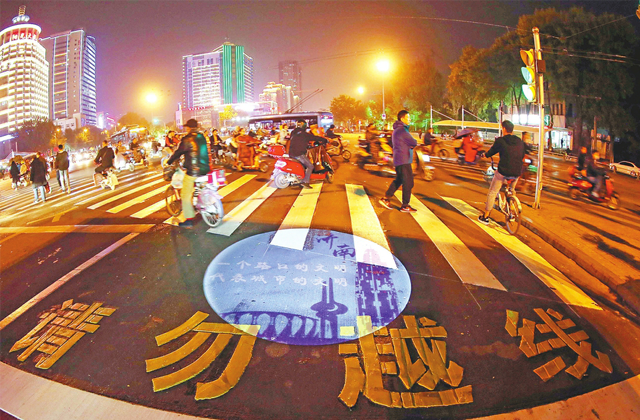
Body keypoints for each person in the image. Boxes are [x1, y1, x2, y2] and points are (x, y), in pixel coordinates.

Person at [478, 120, 526, 224]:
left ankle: (485, 217)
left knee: (492, 192)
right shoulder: (520, 142)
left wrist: (484, 155)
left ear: (503, 129)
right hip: (517, 171)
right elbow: (522, 155)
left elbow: (491, 152)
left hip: (503, 171)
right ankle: (512, 212)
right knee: (511, 190)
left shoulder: (500, 141)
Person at [167, 119, 211, 228]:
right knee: (199, 187)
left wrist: (169, 161)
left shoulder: (187, 139)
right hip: (205, 168)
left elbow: (178, 152)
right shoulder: (202, 137)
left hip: (193, 171)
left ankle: (189, 219)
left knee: (185, 194)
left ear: (189, 128)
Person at [379, 110, 418, 213]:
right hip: (403, 160)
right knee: (408, 182)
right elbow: (413, 142)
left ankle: (386, 198)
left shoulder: (398, 130)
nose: (409, 119)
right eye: (408, 117)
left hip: (400, 159)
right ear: (402, 118)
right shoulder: (402, 131)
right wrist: (412, 144)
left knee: (399, 180)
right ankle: (405, 205)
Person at [288, 119, 315, 189]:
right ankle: (305, 182)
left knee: (303, 165)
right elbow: (313, 137)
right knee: (310, 166)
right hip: (298, 154)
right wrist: (325, 140)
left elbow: (298, 142)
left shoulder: (293, 132)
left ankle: (299, 178)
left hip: (291, 153)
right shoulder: (303, 133)